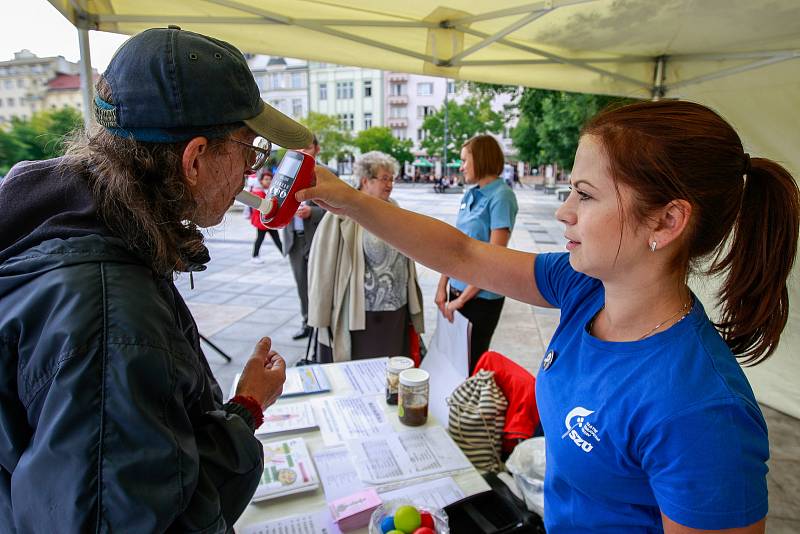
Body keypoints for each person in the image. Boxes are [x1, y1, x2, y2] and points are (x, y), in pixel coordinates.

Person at [299, 100, 800, 533]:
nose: (564, 211)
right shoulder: (584, 288)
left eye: (585, 193)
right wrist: (349, 200)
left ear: (667, 221)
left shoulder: (702, 413)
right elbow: (463, 255)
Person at [0, 27, 317, 532]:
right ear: (194, 159)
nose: (248, 171)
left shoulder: (75, 230)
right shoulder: (112, 318)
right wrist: (246, 410)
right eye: (249, 151)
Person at [307, 151, 424, 362]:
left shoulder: (395, 210)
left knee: (392, 371)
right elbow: (322, 267)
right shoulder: (341, 213)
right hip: (362, 315)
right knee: (363, 372)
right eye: (384, 178)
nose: (390, 184)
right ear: (365, 180)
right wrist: (320, 313)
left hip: (396, 312)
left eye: (392, 179)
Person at [436, 135, 518, 374]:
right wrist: (443, 285)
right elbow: (455, 245)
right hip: (456, 293)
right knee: (451, 363)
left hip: (480, 300)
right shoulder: (470, 194)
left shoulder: (501, 196)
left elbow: (494, 258)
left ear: (480, 159)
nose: (461, 167)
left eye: (464, 161)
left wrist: (461, 301)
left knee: (470, 366)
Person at [280, 135, 326, 340]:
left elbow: (340, 210)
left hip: (317, 238)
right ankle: (307, 321)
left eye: (307, 148)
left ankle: (323, 323)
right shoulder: (286, 173)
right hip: (294, 238)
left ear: (316, 149)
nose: (303, 152)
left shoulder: (325, 174)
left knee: (321, 283)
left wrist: (312, 212)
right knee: (302, 284)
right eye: (299, 148)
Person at [249, 167, 283, 262]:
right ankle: (255, 256)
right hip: (261, 222)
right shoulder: (258, 192)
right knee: (260, 239)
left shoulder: (271, 192)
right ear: (261, 181)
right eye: (266, 179)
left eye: (270, 179)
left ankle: (284, 253)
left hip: (269, 221)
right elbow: (257, 209)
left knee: (276, 239)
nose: (268, 181)